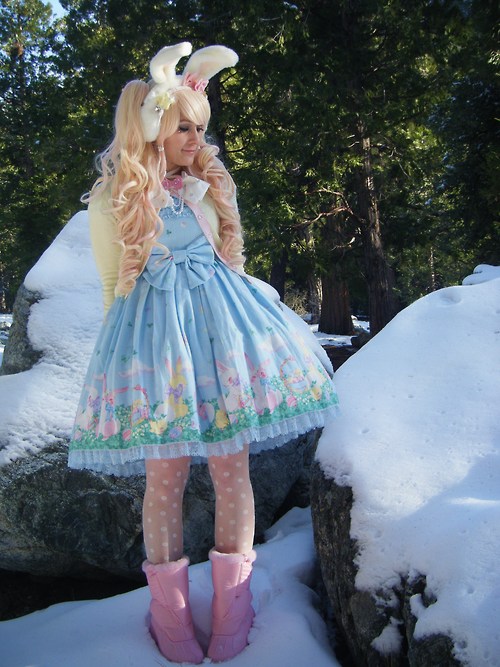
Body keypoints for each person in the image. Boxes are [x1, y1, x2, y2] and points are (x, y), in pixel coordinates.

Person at [68, 42, 339, 664]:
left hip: (221, 338)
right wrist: (122, 362)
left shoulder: (208, 187)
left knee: (230, 466)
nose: (197, 139)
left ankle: (232, 609)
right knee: (164, 475)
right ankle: (169, 616)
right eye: (183, 127)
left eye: (199, 127)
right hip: (157, 345)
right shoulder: (115, 199)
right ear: (150, 128)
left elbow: (230, 261)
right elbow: (112, 285)